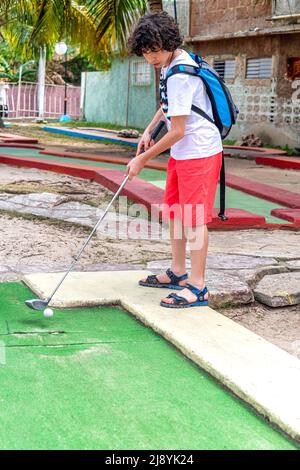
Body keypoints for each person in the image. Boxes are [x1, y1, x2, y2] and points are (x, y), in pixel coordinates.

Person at [126, 11, 223, 308]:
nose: (151, 58)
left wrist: (142, 159)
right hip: (184, 153)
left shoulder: (180, 71)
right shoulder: (172, 64)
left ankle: (197, 286)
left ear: (168, 42)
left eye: (155, 50)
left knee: (193, 218)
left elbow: (178, 130)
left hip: (199, 151)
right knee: (178, 214)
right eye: (145, 52)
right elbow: (167, 105)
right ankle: (178, 272)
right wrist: (149, 130)